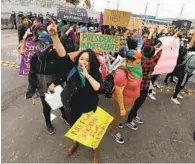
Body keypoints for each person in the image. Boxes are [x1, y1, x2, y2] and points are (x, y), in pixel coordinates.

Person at [47, 21, 104, 163]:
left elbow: (100, 89)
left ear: (92, 63)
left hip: (88, 108)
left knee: (92, 131)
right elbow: (62, 54)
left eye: (87, 60)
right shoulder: (73, 68)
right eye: (81, 59)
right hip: (71, 107)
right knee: (74, 126)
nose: (83, 62)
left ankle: (95, 150)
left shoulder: (95, 74)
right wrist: (54, 36)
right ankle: (75, 143)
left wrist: (88, 75)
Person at [26, 32, 69, 135]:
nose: (42, 46)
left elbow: (63, 73)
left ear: (51, 44)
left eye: (45, 43)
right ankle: (48, 123)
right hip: (42, 87)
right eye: (40, 43)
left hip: (56, 86)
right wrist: (31, 91)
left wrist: (55, 83)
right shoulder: (35, 58)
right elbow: (32, 74)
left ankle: (65, 116)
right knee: (46, 107)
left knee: (60, 103)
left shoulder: (57, 56)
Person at [126, 28, 163, 131]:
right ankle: (130, 120)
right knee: (138, 103)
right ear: (152, 55)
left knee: (132, 102)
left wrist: (150, 34)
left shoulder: (138, 58)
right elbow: (159, 55)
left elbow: (146, 46)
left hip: (133, 84)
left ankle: (133, 115)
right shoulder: (150, 63)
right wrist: (167, 46)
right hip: (142, 86)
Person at [110, 50, 143, 144]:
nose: (139, 63)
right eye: (138, 62)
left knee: (120, 116)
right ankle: (114, 131)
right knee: (118, 116)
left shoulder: (135, 68)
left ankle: (118, 121)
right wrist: (121, 108)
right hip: (122, 101)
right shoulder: (121, 73)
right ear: (130, 61)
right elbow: (119, 92)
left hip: (130, 99)